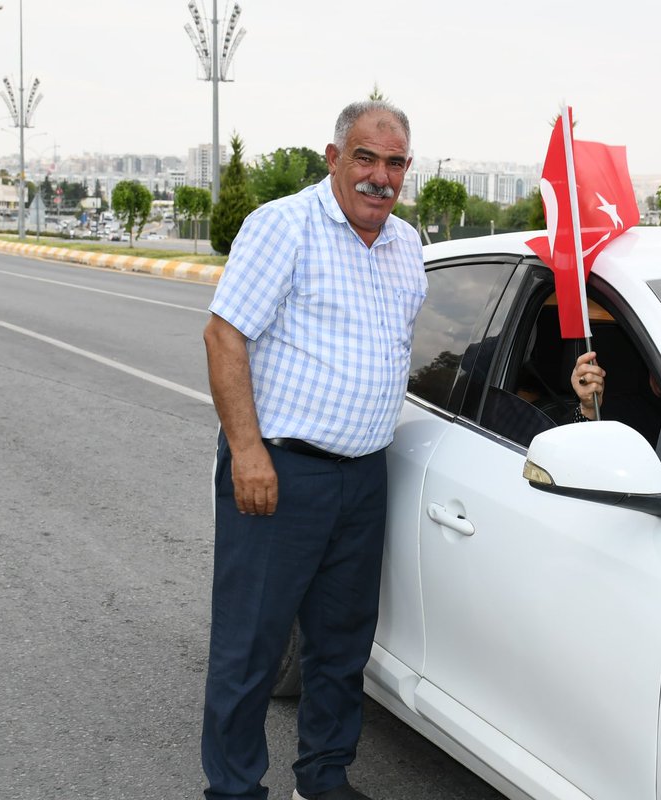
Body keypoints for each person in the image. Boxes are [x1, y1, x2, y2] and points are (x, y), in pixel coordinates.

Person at [200, 100, 425, 800]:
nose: (378, 176)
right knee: (252, 646)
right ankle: (234, 789)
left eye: (393, 163)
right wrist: (248, 452)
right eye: (365, 157)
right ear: (334, 158)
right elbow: (224, 336)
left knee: (342, 644)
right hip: (281, 469)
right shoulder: (283, 226)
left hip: (364, 476)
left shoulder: (407, 245)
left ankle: (323, 780)